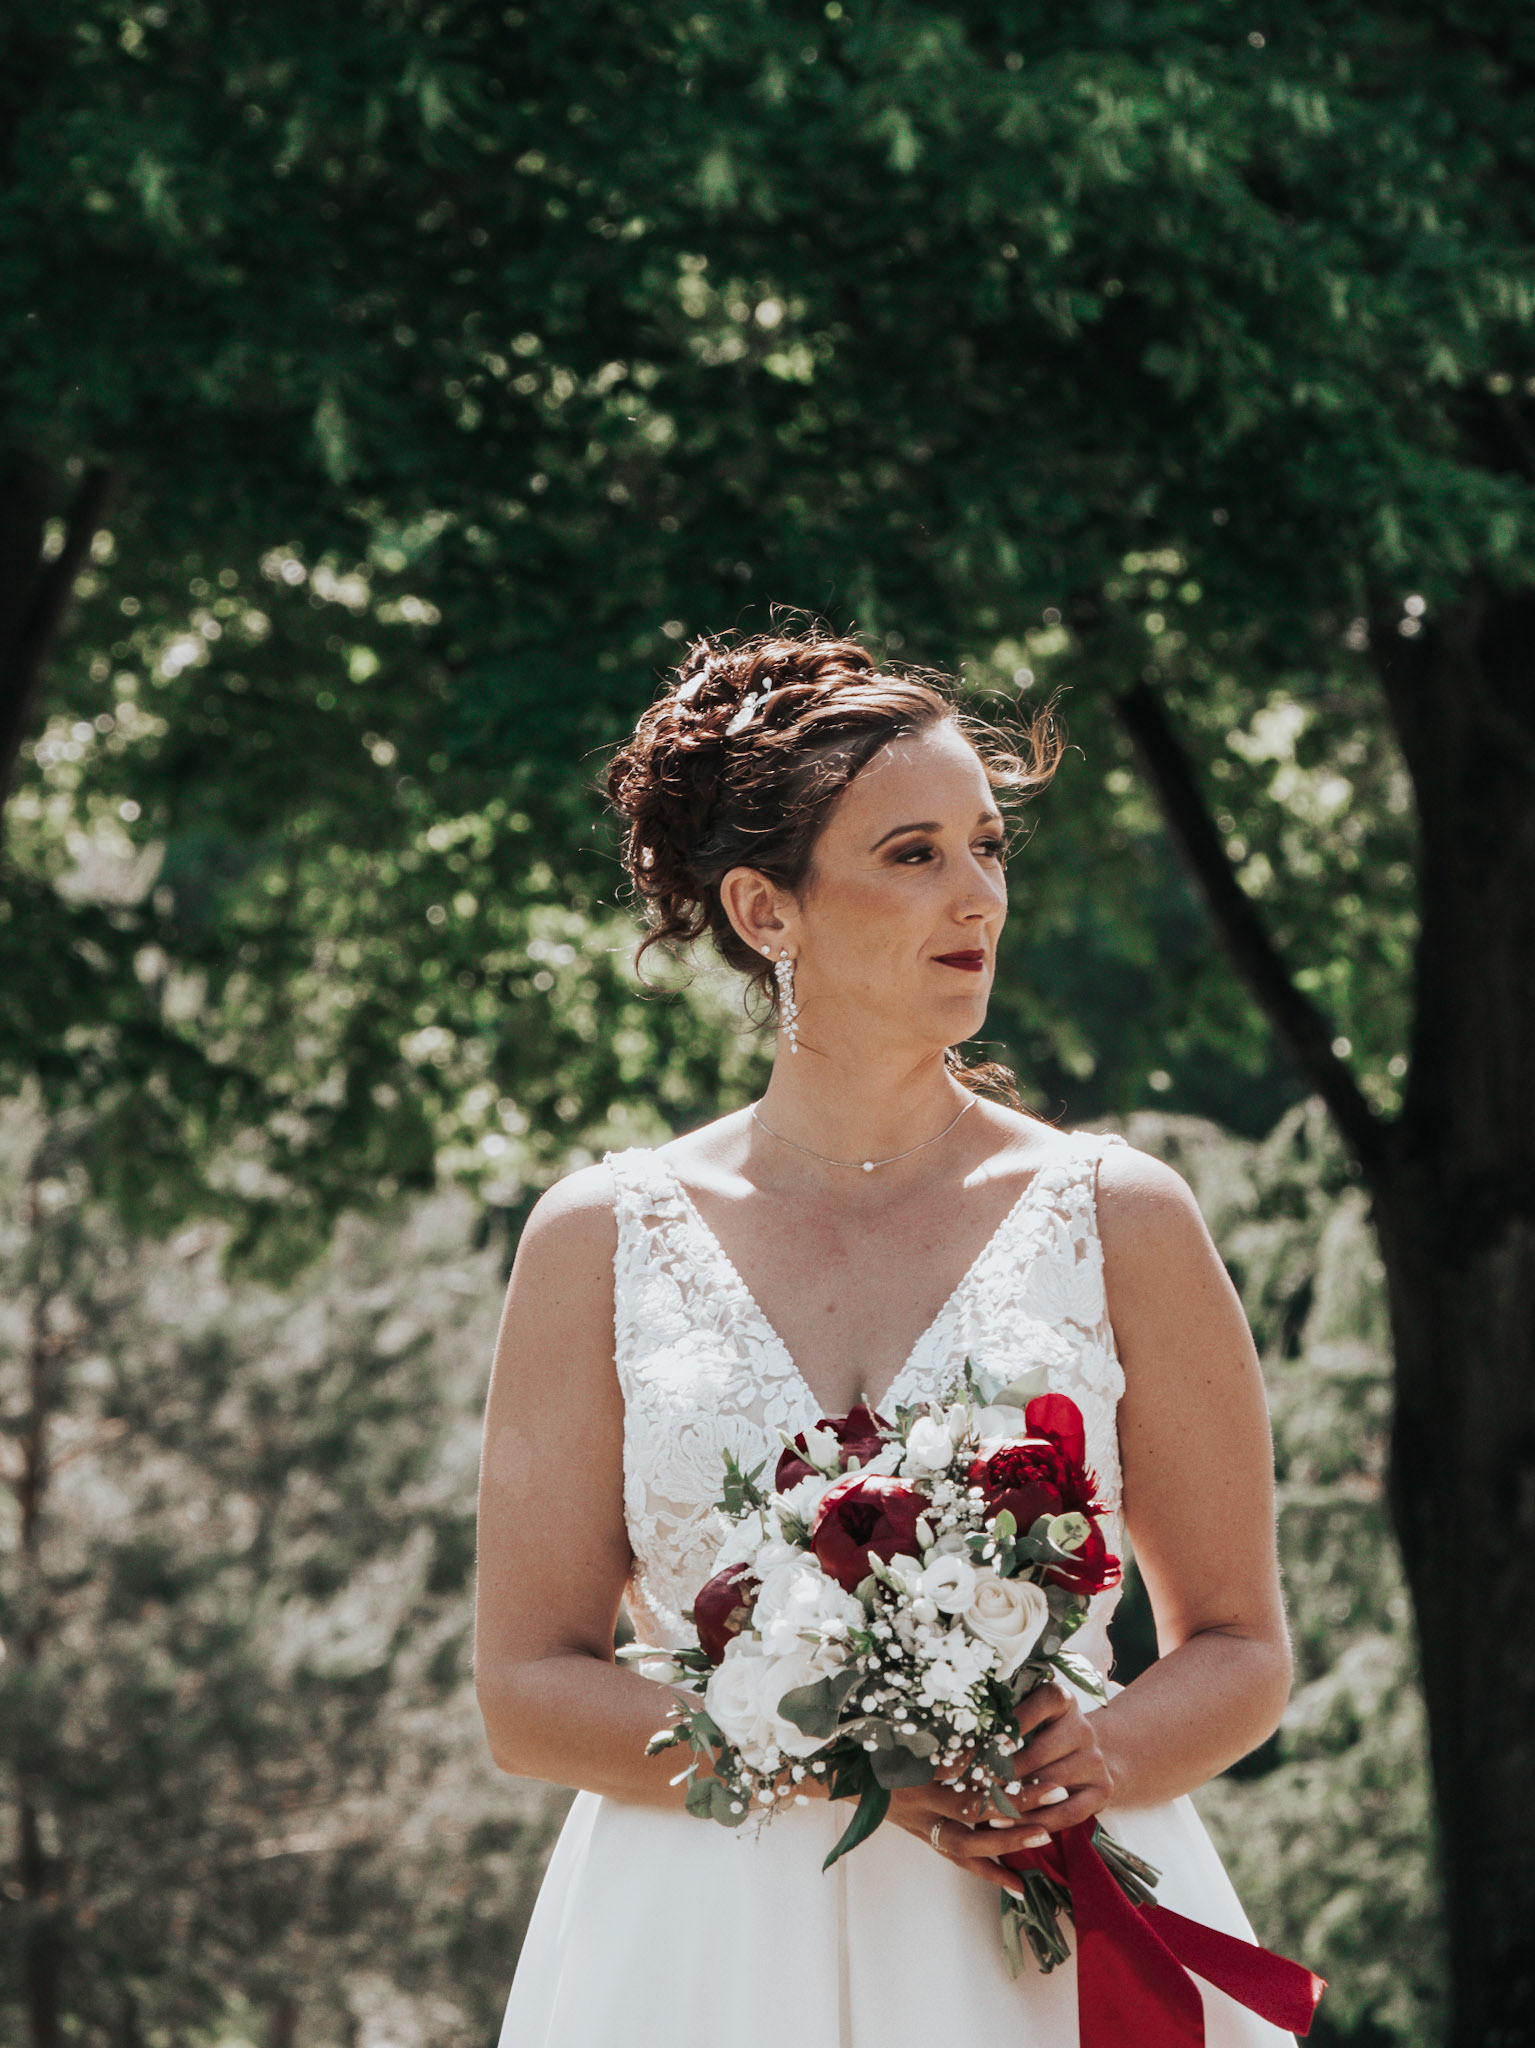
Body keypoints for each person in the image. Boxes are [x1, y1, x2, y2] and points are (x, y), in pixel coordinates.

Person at [475, 628, 1296, 2046]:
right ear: (765, 908)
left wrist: (1100, 1756)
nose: (978, 894)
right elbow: (526, 1694)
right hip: (702, 1951)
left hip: (1021, 1944)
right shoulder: (600, 1237)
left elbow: (1241, 1644)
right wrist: (822, 1753)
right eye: (913, 854)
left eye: (988, 847)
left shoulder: (1120, 1218)